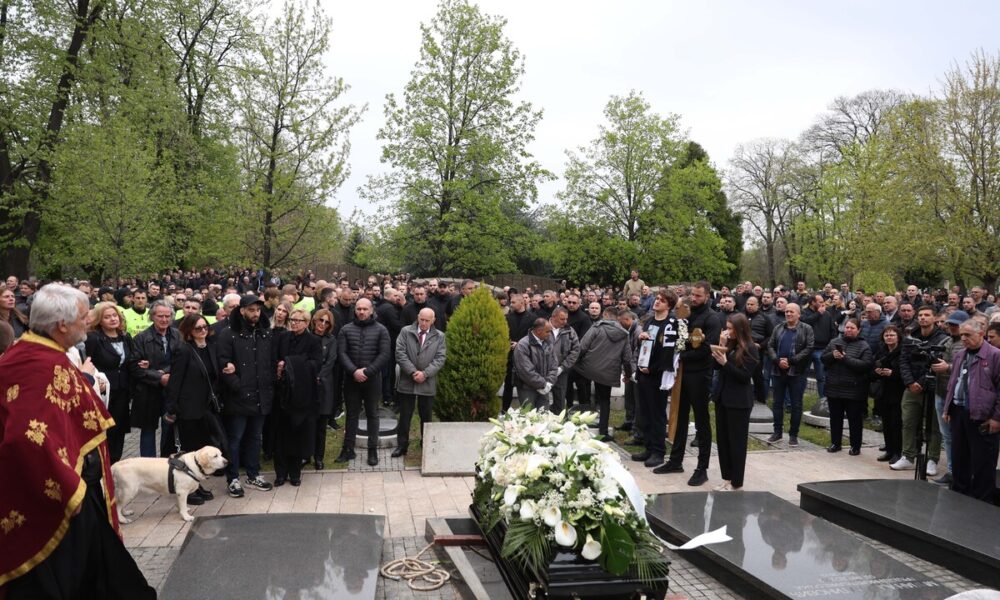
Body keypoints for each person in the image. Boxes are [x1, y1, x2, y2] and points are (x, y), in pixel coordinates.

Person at [0, 284, 155, 597]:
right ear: (62, 325)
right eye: (84, 317)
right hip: (61, 500)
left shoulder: (40, 354)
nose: (89, 321)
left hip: (77, 492)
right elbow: (23, 438)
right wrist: (67, 486)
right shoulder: (39, 365)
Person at [163, 314, 231, 504]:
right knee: (188, 451)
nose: (202, 332)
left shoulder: (211, 347)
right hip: (188, 409)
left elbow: (214, 376)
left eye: (205, 328)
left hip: (207, 408)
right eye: (198, 329)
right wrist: (172, 408)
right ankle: (187, 489)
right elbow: (175, 382)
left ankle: (196, 484)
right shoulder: (183, 351)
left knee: (205, 446)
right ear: (189, 332)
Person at [217, 294, 276, 498]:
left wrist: (269, 385)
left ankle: (253, 474)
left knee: (255, 437)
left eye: (258, 310)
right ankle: (233, 478)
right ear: (241, 310)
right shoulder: (228, 334)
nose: (255, 313)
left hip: (261, 396)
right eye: (251, 310)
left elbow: (269, 362)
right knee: (235, 439)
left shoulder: (264, 333)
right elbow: (223, 364)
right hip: (238, 397)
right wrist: (238, 386)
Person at [663, 282, 722, 486]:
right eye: (693, 295)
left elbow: (708, 349)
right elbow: (681, 337)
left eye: (698, 296)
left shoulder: (712, 318)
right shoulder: (687, 315)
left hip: (700, 374)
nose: (694, 298)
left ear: (707, 296)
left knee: (701, 419)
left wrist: (682, 356)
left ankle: (702, 467)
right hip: (682, 373)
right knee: (679, 416)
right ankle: (675, 460)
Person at [941, 319, 1000, 503]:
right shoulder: (960, 355)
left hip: (982, 416)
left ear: (981, 334)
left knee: (983, 462)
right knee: (959, 457)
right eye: (962, 335)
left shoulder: (995, 356)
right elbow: (954, 383)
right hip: (959, 412)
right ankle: (960, 496)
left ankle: (982, 501)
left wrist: (997, 418)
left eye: (968, 335)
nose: (963, 339)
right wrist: (948, 407)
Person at [893, 306, 950, 473]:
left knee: (933, 426)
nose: (923, 318)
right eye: (921, 315)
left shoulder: (943, 339)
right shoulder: (910, 337)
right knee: (908, 422)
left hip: (933, 387)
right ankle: (908, 456)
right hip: (911, 387)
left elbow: (936, 363)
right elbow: (903, 360)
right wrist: (910, 382)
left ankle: (932, 459)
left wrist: (921, 382)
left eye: (927, 315)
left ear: (935, 318)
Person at [337, 298, 391, 466]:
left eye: (364, 309)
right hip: (351, 379)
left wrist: (367, 372)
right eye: (358, 309)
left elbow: (384, 354)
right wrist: (354, 371)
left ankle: (372, 450)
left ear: (371, 310)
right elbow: (342, 353)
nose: (361, 312)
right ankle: (348, 449)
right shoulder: (346, 329)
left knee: (372, 414)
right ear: (355, 310)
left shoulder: (381, 330)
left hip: (372, 379)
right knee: (351, 414)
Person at [273, 309, 323, 486]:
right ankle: (280, 473)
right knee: (281, 434)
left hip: (302, 394)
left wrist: (291, 363)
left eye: (298, 320)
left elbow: (316, 363)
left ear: (306, 322)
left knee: (298, 433)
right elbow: (275, 358)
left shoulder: (313, 341)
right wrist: (279, 367)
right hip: (283, 393)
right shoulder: (282, 337)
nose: (294, 323)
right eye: (292, 319)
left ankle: (295, 473)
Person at [631, 290, 681, 469]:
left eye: (661, 300)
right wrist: (640, 338)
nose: (657, 302)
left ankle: (659, 452)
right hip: (644, 372)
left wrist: (652, 369)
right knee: (644, 413)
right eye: (657, 299)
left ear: (669, 305)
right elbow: (644, 344)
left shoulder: (671, 323)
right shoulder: (650, 320)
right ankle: (649, 447)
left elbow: (668, 353)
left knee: (657, 414)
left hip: (658, 375)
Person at [711, 313, 759, 491]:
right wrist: (721, 347)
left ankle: (737, 482)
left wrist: (726, 363)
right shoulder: (729, 344)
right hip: (722, 398)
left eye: (731, 328)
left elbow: (745, 376)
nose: (727, 331)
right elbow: (715, 366)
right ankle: (727, 478)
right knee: (723, 441)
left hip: (739, 401)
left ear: (740, 329)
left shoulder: (750, 348)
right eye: (727, 327)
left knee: (736, 443)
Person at [84, 302, 135, 463]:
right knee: (104, 430)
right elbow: (88, 363)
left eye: (114, 316)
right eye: (107, 317)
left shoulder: (125, 337)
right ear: (99, 320)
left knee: (118, 429)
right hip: (103, 391)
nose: (113, 319)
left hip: (123, 390)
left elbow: (130, 360)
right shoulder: (93, 338)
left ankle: (115, 462)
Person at [130, 300, 182, 458]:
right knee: (148, 431)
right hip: (148, 391)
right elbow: (134, 367)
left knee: (169, 429)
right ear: (152, 317)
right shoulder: (141, 338)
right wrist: (159, 377)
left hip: (171, 390)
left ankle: (167, 465)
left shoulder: (177, 335)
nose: (164, 319)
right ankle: (148, 465)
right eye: (160, 316)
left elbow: (182, 360)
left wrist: (165, 373)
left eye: (168, 316)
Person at [393, 308, 446, 457]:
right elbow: (399, 353)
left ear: (433, 320)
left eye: (427, 320)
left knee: (426, 416)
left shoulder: (439, 336)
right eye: (421, 319)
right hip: (407, 381)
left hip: (427, 382)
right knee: (405, 416)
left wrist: (425, 373)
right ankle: (402, 445)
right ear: (418, 317)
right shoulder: (405, 331)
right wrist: (412, 371)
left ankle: (426, 444)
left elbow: (440, 358)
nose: (423, 323)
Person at [575, 307, 634, 441]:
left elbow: (582, 346)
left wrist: (574, 363)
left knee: (580, 390)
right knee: (605, 401)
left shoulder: (597, 327)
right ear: (617, 318)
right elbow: (627, 358)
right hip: (609, 372)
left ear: (605, 315)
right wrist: (628, 374)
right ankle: (603, 432)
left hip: (589, 368)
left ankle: (575, 423)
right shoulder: (624, 334)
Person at [821, 318, 874, 455]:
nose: (849, 330)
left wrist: (845, 358)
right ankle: (835, 443)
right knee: (835, 418)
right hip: (834, 387)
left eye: (852, 328)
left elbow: (865, 366)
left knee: (854, 420)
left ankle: (855, 446)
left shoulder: (864, 346)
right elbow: (823, 359)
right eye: (847, 327)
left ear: (858, 330)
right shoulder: (834, 342)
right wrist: (833, 355)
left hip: (854, 390)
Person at [766, 302, 814, 446]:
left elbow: (809, 347)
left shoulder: (807, 329)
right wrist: (776, 360)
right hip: (778, 371)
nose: (788, 314)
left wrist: (791, 361)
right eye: (787, 311)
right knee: (777, 403)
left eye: (792, 312)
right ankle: (777, 433)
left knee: (796, 404)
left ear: (798, 314)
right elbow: (770, 345)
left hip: (797, 372)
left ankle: (793, 435)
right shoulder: (778, 327)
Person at [872, 325, 905, 464]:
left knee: (896, 423)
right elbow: (873, 366)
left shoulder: (903, 351)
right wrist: (877, 371)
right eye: (886, 335)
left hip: (898, 390)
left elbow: (905, 371)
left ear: (898, 337)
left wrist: (893, 373)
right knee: (886, 423)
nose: (889, 337)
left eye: (892, 335)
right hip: (884, 390)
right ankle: (889, 450)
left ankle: (898, 452)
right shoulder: (882, 351)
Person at [311, 308, 339, 466]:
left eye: (326, 322)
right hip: (307, 385)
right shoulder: (307, 337)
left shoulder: (331, 340)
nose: (322, 324)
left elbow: (331, 361)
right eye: (320, 320)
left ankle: (318, 457)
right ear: (314, 320)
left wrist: (319, 376)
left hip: (324, 384)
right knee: (308, 424)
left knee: (321, 425)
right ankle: (305, 454)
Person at [513, 318, 559, 410]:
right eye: (548, 331)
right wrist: (543, 384)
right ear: (538, 331)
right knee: (528, 417)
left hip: (545, 387)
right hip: (527, 388)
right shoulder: (523, 345)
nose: (550, 334)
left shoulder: (548, 342)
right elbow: (525, 370)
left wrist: (548, 383)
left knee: (544, 417)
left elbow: (554, 365)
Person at [502, 288, 536, 412]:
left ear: (522, 303)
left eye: (513, 302)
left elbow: (534, 336)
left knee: (525, 386)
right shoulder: (507, 317)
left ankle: (527, 411)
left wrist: (520, 344)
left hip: (525, 356)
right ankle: (504, 410)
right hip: (510, 355)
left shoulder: (532, 318)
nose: (511, 304)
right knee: (508, 385)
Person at [549, 306, 580, 415]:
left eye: (566, 319)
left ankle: (558, 422)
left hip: (561, 372)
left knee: (560, 400)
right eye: (562, 319)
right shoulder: (543, 328)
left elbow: (576, 350)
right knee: (542, 400)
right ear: (553, 317)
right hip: (544, 371)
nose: (565, 321)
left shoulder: (569, 331)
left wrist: (562, 368)